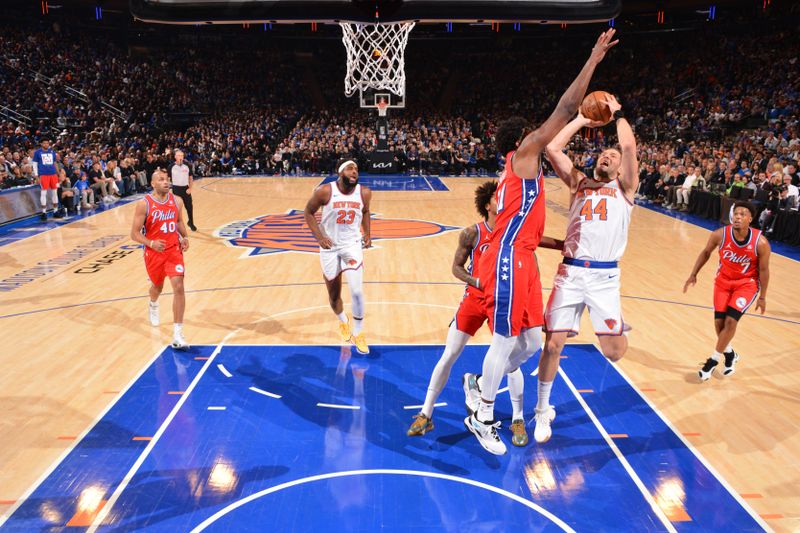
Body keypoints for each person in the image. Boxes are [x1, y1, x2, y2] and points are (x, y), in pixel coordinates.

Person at [462, 29, 619, 456]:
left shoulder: (524, 169)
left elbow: (527, 228)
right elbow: (566, 106)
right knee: (504, 340)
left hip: (525, 257)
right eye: (534, 131)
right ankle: (483, 416)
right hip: (508, 258)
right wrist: (592, 59)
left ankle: (478, 383)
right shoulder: (525, 153)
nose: (540, 132)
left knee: (530, 342)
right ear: (521, 140)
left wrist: (559, 246)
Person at [407, 180, 563, 446]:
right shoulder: (472, 233)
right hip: (476, 297)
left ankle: (516, 418)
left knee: (509, 351)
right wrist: (477, 281)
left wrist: (563, 244)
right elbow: (456, 267)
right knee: (450, 353)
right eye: (496, 197)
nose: (502, 200)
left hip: (503, 297)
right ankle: (426, 412)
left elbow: (536, 241)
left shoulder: (513, 231)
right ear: (487, 204)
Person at [533, 96, 638, 444]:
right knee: (553, 346)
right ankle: (541, 411)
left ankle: (619, 324)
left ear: (621, 168)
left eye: (614, 157)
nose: (609, 156)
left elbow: (628, 145)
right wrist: (580, 119)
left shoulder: (625, 189)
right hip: (571, 273)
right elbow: (552, 148)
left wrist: (618, 114)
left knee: (614, 352)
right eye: (604, 154)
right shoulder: (579, 183)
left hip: (606, 278)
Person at [683, 202, 771, 381]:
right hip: (723, 282)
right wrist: (693, 274)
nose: (738, 216)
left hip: (747, 284)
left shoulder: (760, 242)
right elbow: (706, 252)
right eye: (736, 213)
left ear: (750, 219)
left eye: (742, 214)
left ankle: (713, 360)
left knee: (731, 322)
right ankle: (730, 355)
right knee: (719, 325)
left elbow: (764, 270)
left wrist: (763, 296)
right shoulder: (719, 235)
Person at [304, 159, 372, 355]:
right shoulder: (325, 191)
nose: (355, 172)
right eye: (350, 168)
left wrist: (368, 233)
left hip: (352, 245)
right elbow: (308, 212)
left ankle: (358, 333)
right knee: (334, 296)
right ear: (340, 172)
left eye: (357, 169)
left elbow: (366, 211)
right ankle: (343, 322)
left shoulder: (364, 193)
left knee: (357, 292)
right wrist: (320, 237)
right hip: (330, 247)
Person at [129, 169, 191, 349]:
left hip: (173, 250)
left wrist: (185, 237)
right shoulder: (144, 204)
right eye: (161, 179)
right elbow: (134, 234)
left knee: (178, 286)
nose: (166, 182)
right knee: (157, 287)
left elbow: (179, 221)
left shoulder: (177, 201)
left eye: (167, 179)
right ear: (153, 184)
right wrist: (150, 243)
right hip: (154, 253)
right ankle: (153, 303)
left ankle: (178, 333)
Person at [169, 149, 197, 231]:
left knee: (189, 207)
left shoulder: (187, 166)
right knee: (177, 209)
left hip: (185, 189)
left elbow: (191, 178)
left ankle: (191, 223)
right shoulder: (171, 167)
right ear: (175, 157)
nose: (180, 157)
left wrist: (190, 188)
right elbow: (167, 178)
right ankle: (176, 225)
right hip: (176, 189)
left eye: (182, 155)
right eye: (178, 155)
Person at [32, 138, 59, 221]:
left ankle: (56, 211)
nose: (46, 145)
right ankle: (44, 213)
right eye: (44, 143)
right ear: (41, 144)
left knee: (54, 193)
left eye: (47, 143)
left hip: (53, 174)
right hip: (43, 175)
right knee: (43, 193)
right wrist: (36, 176)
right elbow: (34, 164)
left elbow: (54, 162)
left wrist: (58, 173)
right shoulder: (37, 152)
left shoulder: (52, 152)